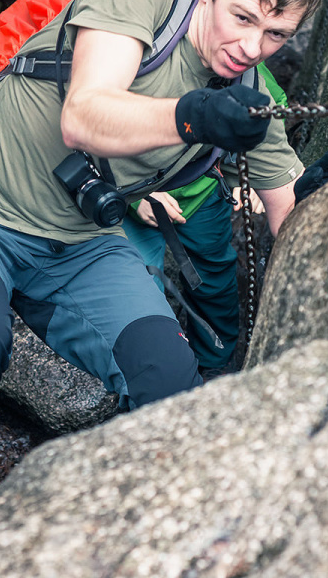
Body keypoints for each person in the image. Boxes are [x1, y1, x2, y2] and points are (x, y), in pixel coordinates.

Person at [0, 0, 326, 560]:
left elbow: (288, 217)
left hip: (80, 245)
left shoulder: (247, 98)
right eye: (241, 17)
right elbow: (85, 115)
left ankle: (156, 556)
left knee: (167, 381)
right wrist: (190, 116)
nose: (251, 46)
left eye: (275, 35)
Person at [121, 61, 289, 373]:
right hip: (131, 193)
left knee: (212, 277)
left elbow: (272, 109)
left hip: (202, 186)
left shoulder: (238, 62)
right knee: (139, 281)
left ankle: (214, 363)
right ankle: (155, 365)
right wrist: (134, 197)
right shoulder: (130, 54)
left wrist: (251, 177)